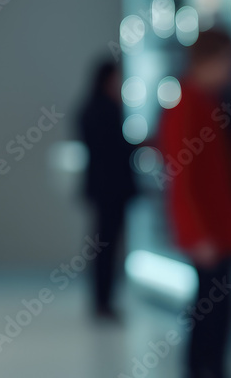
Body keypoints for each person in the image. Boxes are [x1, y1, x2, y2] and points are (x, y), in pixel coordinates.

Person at [157, 28, 231, 378]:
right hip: (208, 227)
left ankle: (209, 366)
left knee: (217, 304)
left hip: (220, 222)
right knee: (210, 305)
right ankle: (202, 367)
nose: (229, 69)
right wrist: (195, 232)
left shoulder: (210, 101)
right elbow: (182, 177)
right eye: (225, 61)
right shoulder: (187, 103)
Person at [76, 59, 137, 321]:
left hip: (102, 188)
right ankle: (103, 302)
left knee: (103, 246)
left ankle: (102, 301)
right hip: (110, 188)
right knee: (106, 247)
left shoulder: (90, 107)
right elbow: (113, 150)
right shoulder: (105, 108)